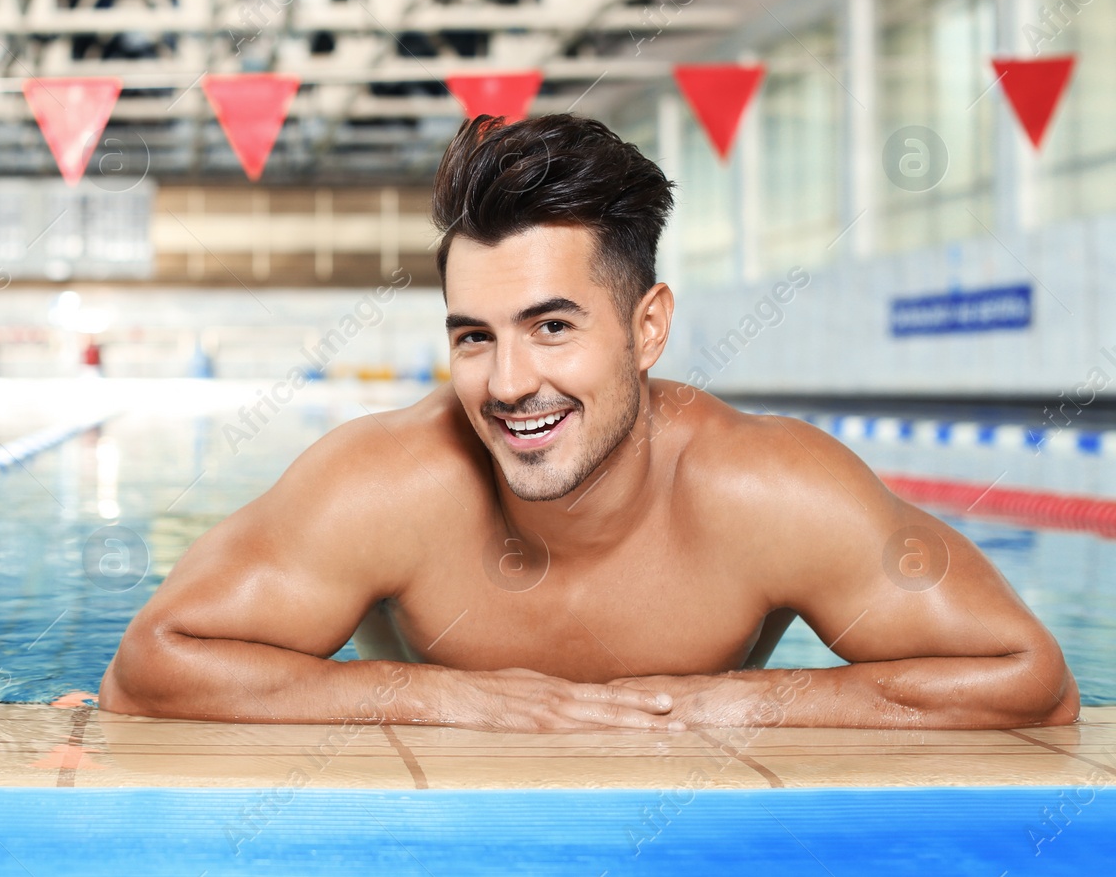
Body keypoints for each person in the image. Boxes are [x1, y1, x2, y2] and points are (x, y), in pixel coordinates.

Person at [100, 114, 1078, 732]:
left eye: (552, 327)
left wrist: (743, 698)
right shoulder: (388, 483)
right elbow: (148, 668)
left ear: (646, 326)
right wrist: (438, 692)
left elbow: (1027, 676)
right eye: (473, 335)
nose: (508, 382)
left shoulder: (764, 489)